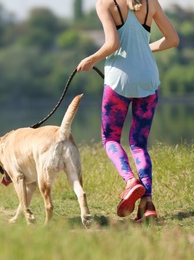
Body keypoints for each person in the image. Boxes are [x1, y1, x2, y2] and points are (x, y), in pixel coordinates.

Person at [77, 0, 179, 222]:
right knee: (138, 143)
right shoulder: (150, 2)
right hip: (148, 80)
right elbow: (173, 40)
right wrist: (143, 49)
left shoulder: (105, 3)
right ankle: (148, 204)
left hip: (119, 81)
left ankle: (131, 182)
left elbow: (112, 44)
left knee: (110, 139)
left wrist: (90, 59)